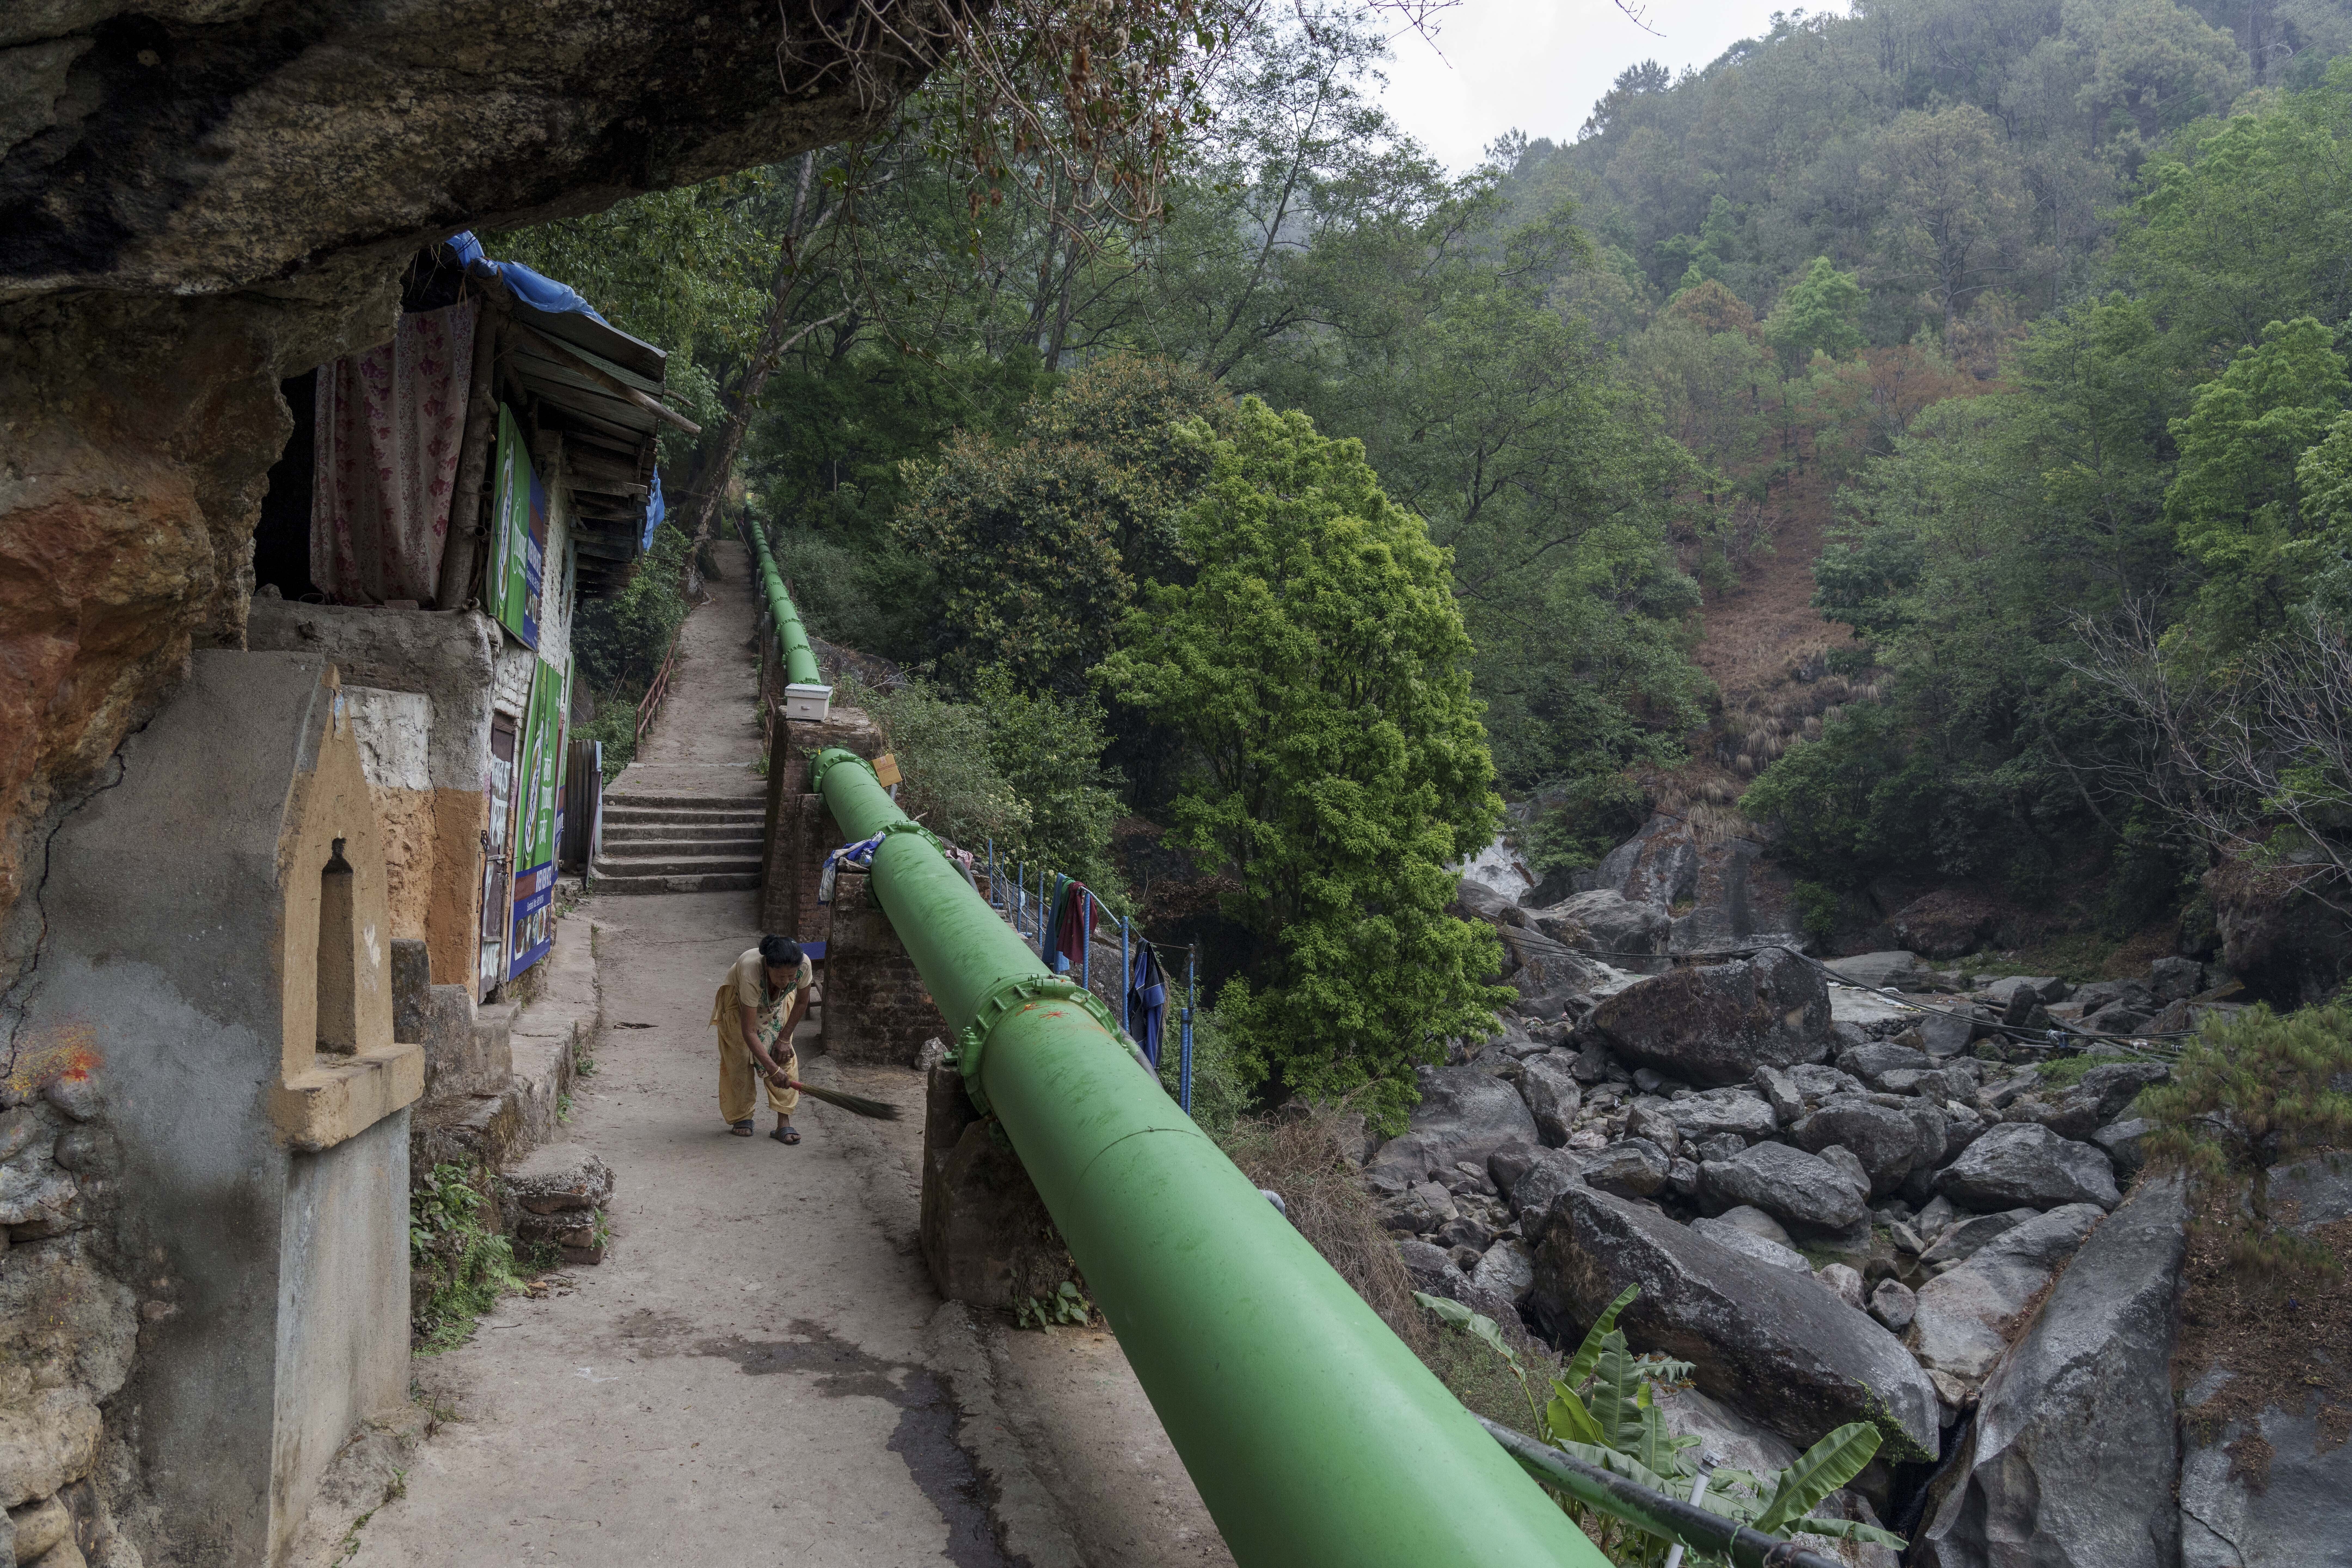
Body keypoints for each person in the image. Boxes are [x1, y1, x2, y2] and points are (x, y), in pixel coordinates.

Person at [709, 934, 812, 1144]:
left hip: (776, 1005)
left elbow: (802, 1002)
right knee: (740, 1058)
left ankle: (784, 1121)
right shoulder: (751, 971)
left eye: (790, 976)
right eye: (780, 977)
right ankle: (742, 1117)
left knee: (784, 1057)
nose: (786, 982)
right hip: (739, 1005)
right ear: (767, 966)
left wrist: (784, 1039)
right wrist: (772, 1070)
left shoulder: (804, 966)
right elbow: (749, 1031)